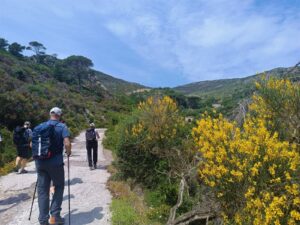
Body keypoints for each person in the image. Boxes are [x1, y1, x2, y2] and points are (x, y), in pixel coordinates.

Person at [34, 107, 72, 225]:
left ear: (50, 114)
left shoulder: (41, 126)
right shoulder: (62, 126)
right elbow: (67, 143)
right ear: (59, 115)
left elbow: (32, 143)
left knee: (42, 191)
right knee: (59, 186)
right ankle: (55, 217)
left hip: (40, 162)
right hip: (55, 162)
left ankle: (43, 220)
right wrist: (68, 152)